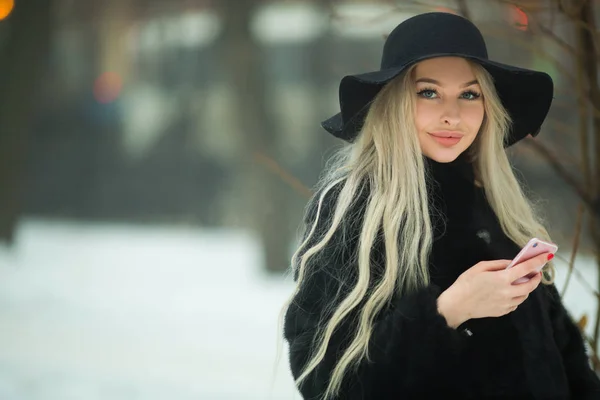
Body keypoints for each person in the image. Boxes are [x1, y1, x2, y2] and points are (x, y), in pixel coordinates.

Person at [280, 12, 600, 400]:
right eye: (428, 92)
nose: (452, 114)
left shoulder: (498, 207)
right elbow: (328, 384)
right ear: (394, 102)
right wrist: (448, 310)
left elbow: (563, 359)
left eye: (470, 94)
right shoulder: (355, 209)